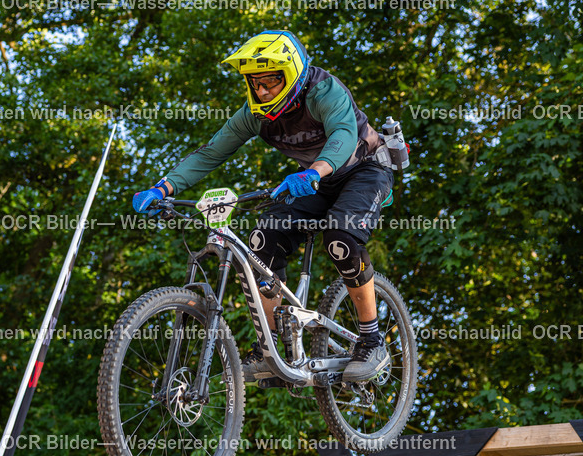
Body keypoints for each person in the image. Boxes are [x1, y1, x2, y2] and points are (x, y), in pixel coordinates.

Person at [132, 30, 396, 386]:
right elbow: (212, 152)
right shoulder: (254, 114)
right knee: (260, 241)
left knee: (341, 238)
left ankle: (371, 340)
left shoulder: (324, 91)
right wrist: (164, 187)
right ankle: (275, 349)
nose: (262, 91)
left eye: (270, 81)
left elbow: (344, 135)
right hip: (314, 180)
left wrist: (315, 171)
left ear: (291, 74)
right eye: (255, 83)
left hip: (362, 170)